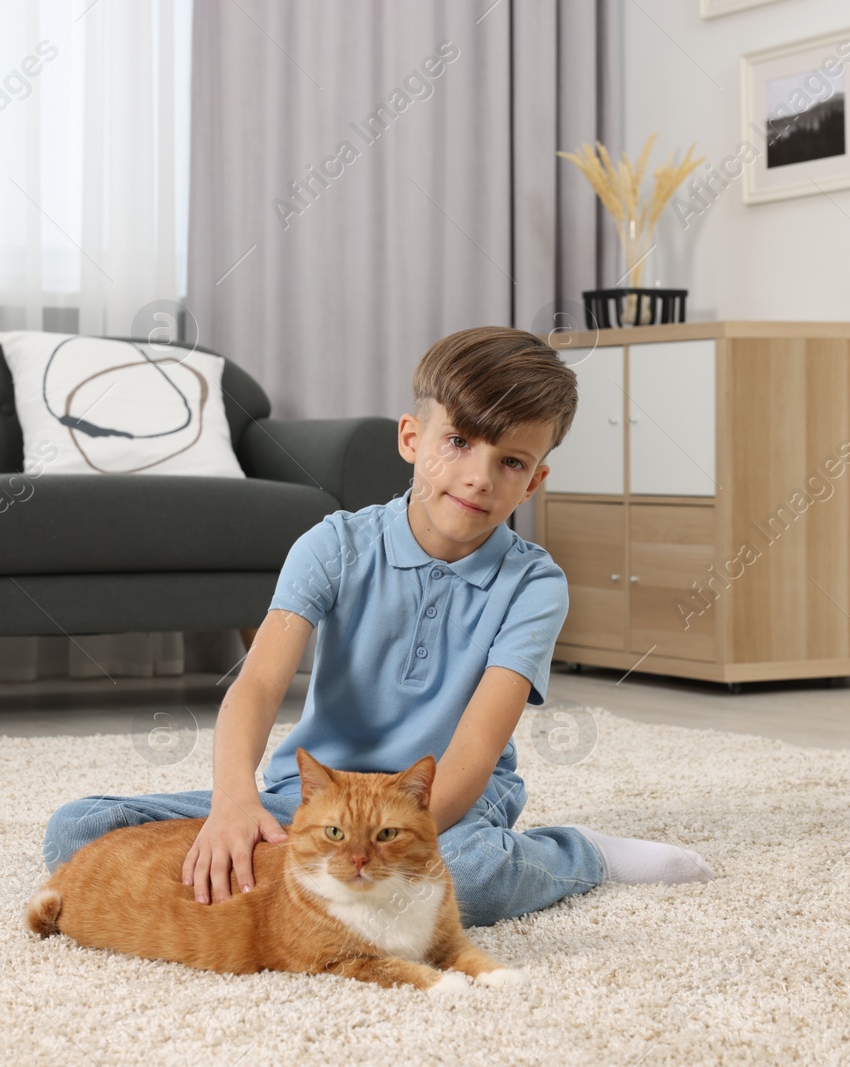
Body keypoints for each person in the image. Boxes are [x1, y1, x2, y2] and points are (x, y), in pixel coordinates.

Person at [41, 325, 712, 927]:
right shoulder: (332, 545)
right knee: (82, 831)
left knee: (466, 882)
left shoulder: (535, 585)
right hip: (318, 800)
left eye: (509, 461)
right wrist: (234, 804)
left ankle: (579, 854)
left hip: (441, 806)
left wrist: (398, 852)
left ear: (532, 482)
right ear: (412, 439)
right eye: (458, 442)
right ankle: (304, 879)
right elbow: (258, 685)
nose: (478, 477)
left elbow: (476, 750)